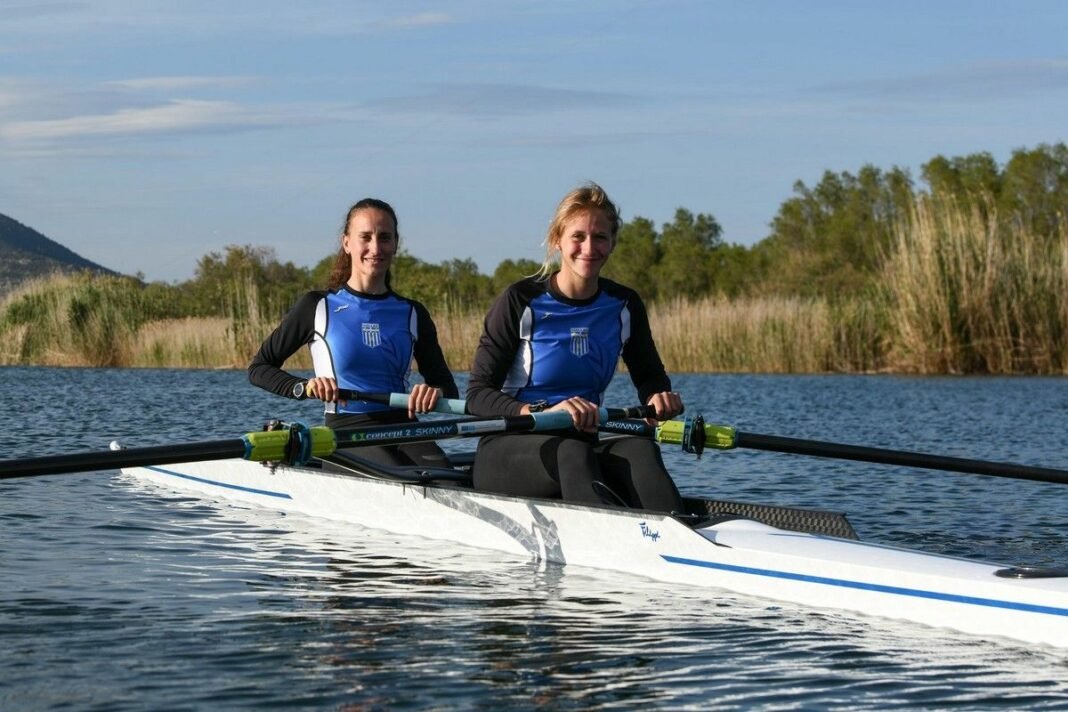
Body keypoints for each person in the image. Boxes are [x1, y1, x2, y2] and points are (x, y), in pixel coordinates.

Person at [466, 182, 685, 512]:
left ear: (612, 243)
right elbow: (477, 395)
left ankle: (681, 536)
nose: (589, 247)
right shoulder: (521, 300)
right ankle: (612, 544)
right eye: (578, 236)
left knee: (640, 449)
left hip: (581, 439)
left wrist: (658, 397)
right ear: (558, 241)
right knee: (572, 452)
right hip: (511, 443)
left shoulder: (624, 304)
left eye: (600, 237)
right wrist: (541, 413)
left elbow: (650, 377)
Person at [248, 197, 459, 467]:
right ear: (347, 243)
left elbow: (447, 387)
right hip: (345, 430)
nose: (375, 247)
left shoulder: (412, 312)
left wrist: (434, 393)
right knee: (401, 478)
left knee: (444, 478)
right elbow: (259, 368)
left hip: (406, 428)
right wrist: (304, 387)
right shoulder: (318, 306)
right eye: (365, 237)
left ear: (396, 244)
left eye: (384, 238)